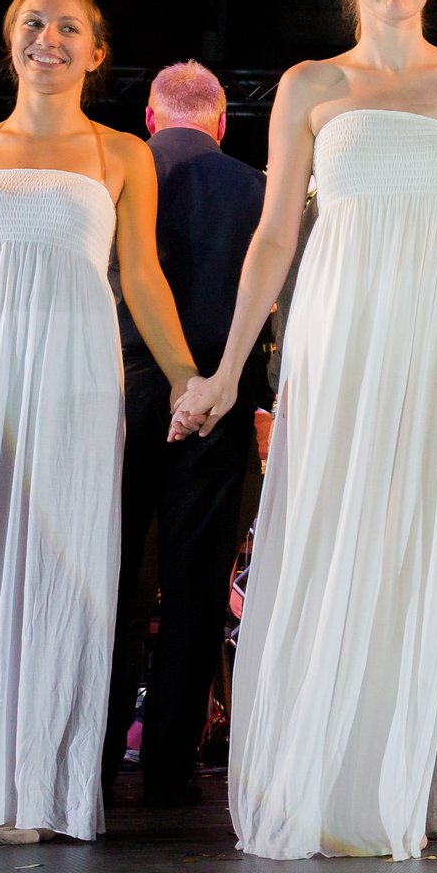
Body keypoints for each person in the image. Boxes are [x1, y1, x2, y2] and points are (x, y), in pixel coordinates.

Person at [173, 0, 437, 860]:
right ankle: (322, 780)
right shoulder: (310, 84)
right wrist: (227, 368)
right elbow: (273, 237)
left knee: (419, 549)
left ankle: (393, 781)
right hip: (337, 332)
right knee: (332, 535)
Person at [0, 0, 200, 846]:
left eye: (67, 27)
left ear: (96, 52)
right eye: (33, 22)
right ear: (10, 37)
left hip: (74, 382)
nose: (47, 38)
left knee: (58, 576)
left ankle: (34, 791)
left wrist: (185, 376)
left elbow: (142, 277)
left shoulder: (122, 153)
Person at [101, 61, 266, 808]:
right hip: (218, 397)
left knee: (112, 582)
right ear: (222, 121)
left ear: (149, 117)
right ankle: (169, 766)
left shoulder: (115, 174)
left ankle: (94, 757)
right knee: (196, 588)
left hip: (117, 389)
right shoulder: (255, 188)